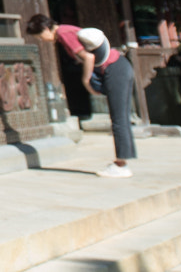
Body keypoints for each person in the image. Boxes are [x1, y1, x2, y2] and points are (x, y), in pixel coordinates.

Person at [28, 14, 135, 177]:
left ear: (45, 29)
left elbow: (88, 57)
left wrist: (86, 81)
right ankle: (122, 162)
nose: (42, 40)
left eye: (40, 36)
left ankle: (121, 166)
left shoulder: (63, 33)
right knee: (121, 118)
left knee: (119, 119)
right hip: (120, 66)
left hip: (114, 69)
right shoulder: (67, 29)